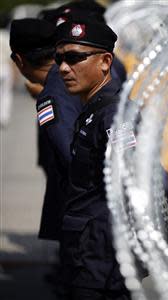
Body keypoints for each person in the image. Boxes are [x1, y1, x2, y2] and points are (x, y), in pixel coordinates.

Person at [55, 18, 131, 299]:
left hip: (102, 264)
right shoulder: (94, 109)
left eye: (74, 58)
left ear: (105, 61)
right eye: (59, 58)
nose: (64, 68)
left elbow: (135, 177)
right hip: (87, 257)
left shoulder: (113, 114)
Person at [9, 18, 80, 240]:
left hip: (81, 215)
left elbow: (71, 158)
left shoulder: (52, 96)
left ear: (19, 61)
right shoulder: (73, 78)